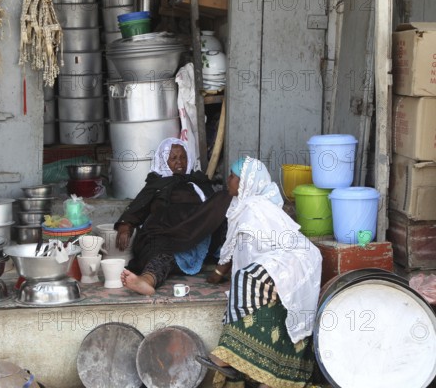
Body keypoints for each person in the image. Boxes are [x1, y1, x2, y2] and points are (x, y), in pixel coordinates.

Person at [196, 156, 322, 388]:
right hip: (280, 261)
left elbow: (241, 254)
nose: (229, 180)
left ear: (246, 182)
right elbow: (240, 250)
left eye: (234, 177)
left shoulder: (253, 208)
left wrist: (216, 275)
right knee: (248, 287)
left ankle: (228, 357)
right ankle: (254, 369)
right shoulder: (243, 205)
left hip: (296, 261)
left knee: (245, 280)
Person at [115, 137, 232, 295]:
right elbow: (138, 207)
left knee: (225, 198)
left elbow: (212, 211)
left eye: (183, 157)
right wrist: (125, 225)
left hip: (196, 236)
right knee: (162, 257)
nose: (180, 162)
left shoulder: (198, 181)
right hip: (166, 235)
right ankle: (146, 281)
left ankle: (228, 265)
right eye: (174, 158)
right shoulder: (156, 185)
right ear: (163, 161)